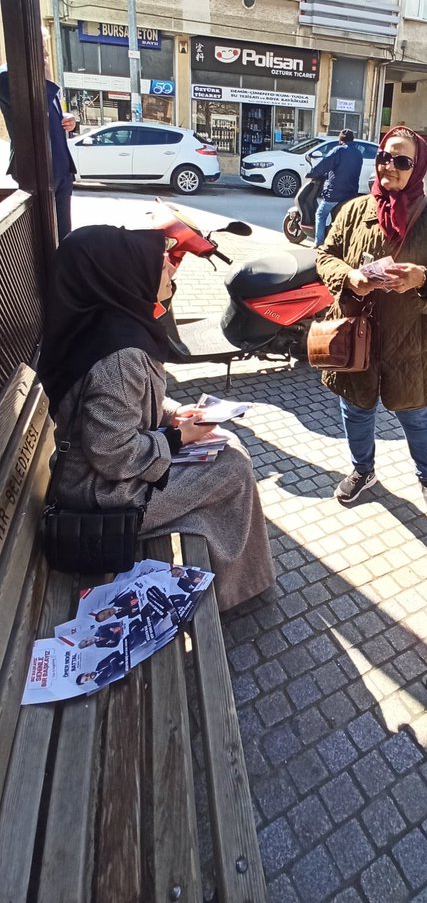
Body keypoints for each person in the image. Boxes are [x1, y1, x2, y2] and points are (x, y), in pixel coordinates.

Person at [37, 225, 275, 613]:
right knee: (232, 467)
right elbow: (113, 453)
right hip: (103, 497)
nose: (169, 270)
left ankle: (235, 578)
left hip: (98, 480)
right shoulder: (119, 355)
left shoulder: (101, 325)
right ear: (121, 274)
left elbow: (120, 412)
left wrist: (173, 414)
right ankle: (238, 594)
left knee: (225, 452)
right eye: (157, 264)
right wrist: (178, 438)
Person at [316, 126, 427, 517]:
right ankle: (362, 470)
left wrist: (424, 278)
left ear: (417, 167)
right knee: (356, 410)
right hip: (356, 338)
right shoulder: (354, 209)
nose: (390, 166)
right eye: (385, 157)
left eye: (402, 161)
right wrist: (349, 278)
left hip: (410, 339)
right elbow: (325, 255)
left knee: (417, 416)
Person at [0, 29, 77, 241]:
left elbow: (51, 115)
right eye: (41, 51)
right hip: (37, 171)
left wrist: (69, 119)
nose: (45, 57)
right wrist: (47, 77)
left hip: (61, 170)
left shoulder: (41, 75)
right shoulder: (7, 78)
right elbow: (35, 113)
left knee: (64, 237)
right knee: (44, 240)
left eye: (45, 52)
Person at [308, 128, 362, 245]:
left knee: (320, 214)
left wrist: (312, 173)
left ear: (340, 140)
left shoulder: (338, 150)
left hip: (335, 194)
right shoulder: (358, 153)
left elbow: (324, 164)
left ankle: (318, 243)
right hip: (351, 194)